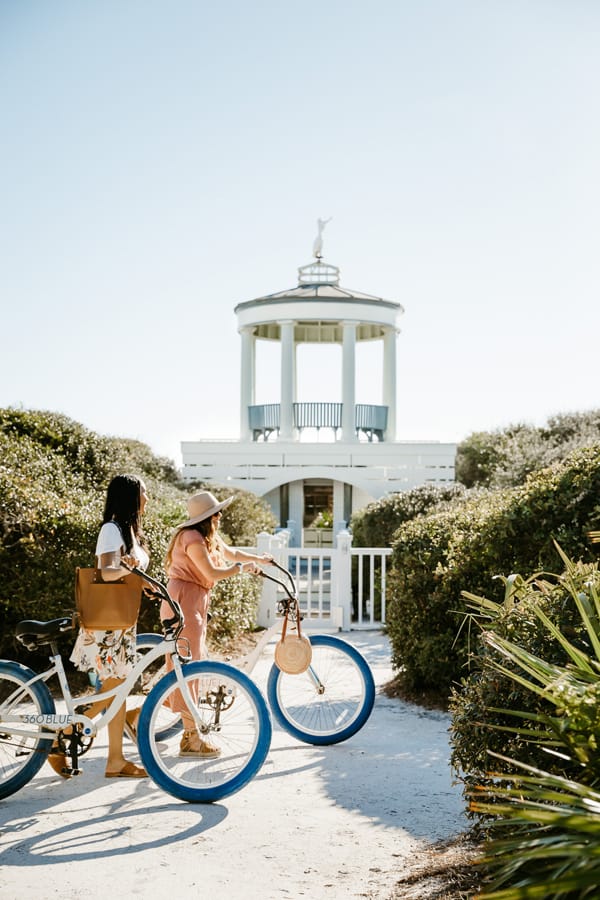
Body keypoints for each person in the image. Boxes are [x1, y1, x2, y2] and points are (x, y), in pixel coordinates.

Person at [50, 474, 150, 779]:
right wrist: (127, 567)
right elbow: (106, 572)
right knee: (115, 689)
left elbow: (127, 573)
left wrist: (146, 584)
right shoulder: (111, 529)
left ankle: (115, 760)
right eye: (144, 493)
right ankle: (62, 735)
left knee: (118, 690)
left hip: (121, 624)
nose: (148, 499)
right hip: (108, 627)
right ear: (131, 497)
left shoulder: (130, 532)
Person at [162, 490, 271, 757]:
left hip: (193, 599)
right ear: (207, 517)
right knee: (188, 670)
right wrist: (243, 569)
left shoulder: (205, 537)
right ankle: (191, 739)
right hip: (185, 601)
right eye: (216, 513)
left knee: (186, 666)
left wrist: (256, 559)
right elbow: (211, 572)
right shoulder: (192, 538)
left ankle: (141, 717)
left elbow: (230, 552)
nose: (220, 516)